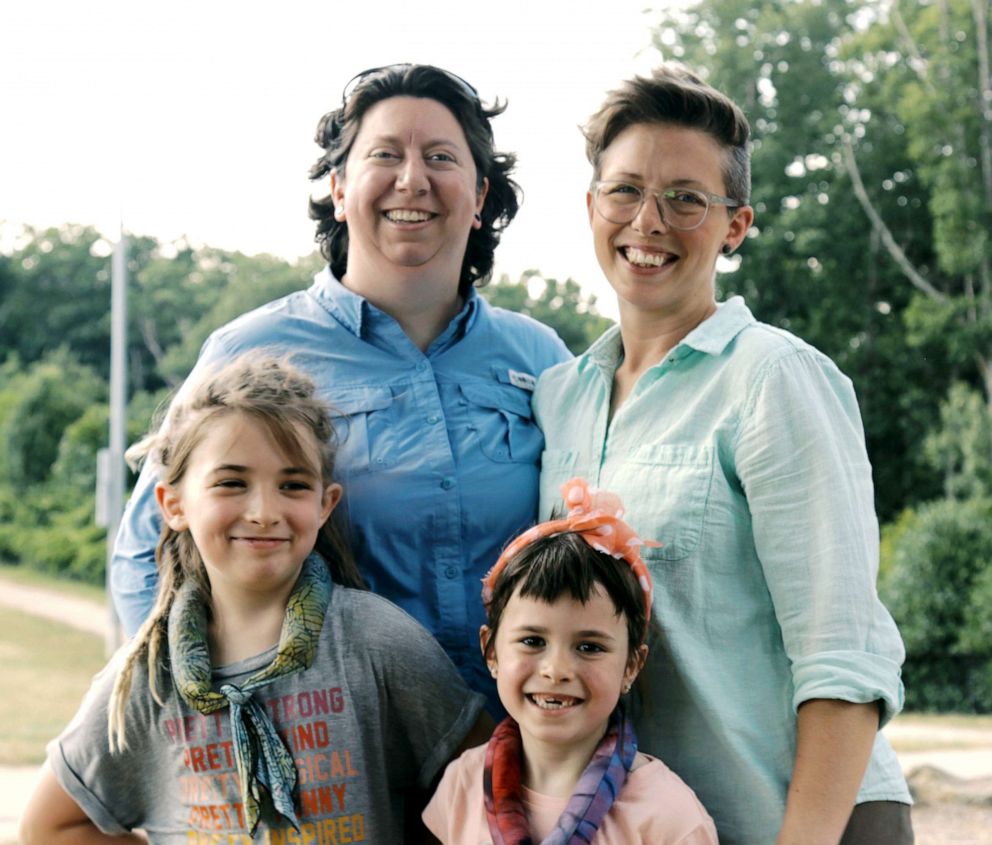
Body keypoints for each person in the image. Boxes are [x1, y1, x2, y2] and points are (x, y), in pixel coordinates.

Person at [110, 64, 571, 714]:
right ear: (338, 187)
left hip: (513, 757)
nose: (412, 178)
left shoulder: (542, 359)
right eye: (385, 154)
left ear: (478, 194)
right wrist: (200, 729)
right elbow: (141, 557)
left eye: (441, 157)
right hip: (334, 760)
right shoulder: (250, 351)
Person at [532, 66, 913, 844]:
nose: (649, 220)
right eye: (626, 191)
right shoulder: (559, 397)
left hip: (802, 819)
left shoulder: (774, 380)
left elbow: (843, 654)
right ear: (591, 207)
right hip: (654, 826)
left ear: (735, 226)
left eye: (686, 198)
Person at [19, 355, 488, 844]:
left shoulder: (379, 643)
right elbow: (48, 827)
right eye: (231, 483)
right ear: (174, 505)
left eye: (292, 485)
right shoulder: (146, 678)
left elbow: (490, 790)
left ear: (325, 505)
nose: (264, 512)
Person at [423, 477, 718, 844]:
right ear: (492, 651)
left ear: (631, 666)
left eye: (589, 647)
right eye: (532, 641)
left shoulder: (667, 817)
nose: (556, 670)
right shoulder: (461, 785)